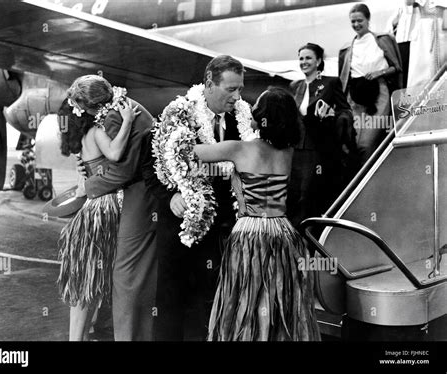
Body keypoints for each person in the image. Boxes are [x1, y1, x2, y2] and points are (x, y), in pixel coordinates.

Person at [191, 86, 321, 341]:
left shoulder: (238, 149)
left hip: (249, 234)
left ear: (263, 115)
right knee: (278, 304)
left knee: (244, 304)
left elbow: (187, 152)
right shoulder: (288, 152)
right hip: (284, 234)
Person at [144, 55, 250, 340]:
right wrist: (170, 197)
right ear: (209, 84)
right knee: (170, 300)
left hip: (220, 228)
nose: (237, 96)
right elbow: (149, 165)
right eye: (231, 89)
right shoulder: (176, 115)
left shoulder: (242, 118)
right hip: (178, 227)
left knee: (208, 299)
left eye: (240, 88)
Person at [74, 76, 159, 341]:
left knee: (125, 274)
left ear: (91, 106)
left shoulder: (113, 117)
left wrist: (87, 186)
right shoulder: (123, 106)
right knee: (136, 272)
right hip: (146, 194)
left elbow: (122, 171)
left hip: (141, 195)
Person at [57, 75, 141, 341]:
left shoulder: (81, 138)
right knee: (91, 283)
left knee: (86, 282)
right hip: (105, 209)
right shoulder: (95, 133)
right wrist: (127, 120)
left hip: (92, 210)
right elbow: (116, 154)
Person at [288, 43, 355, 227]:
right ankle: (297, 239)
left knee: (309, 194)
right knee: (295, 195)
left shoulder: (331, 82)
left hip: (318, 147)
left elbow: (345, 111)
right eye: (301, 58)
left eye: (308, 58)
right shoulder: (296, 86)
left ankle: (312, 236)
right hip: (296, 149)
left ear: (318, 61)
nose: (304, 62)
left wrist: (332, 116)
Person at [339, 3, 403, 165]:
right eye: (352, 22)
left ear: (368, 20)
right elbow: (343, 79)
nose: (356, 25)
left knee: (366, 144)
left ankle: (368, 180)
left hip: (378, 95)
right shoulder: (347, 49)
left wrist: (378, 73)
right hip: (355, 99)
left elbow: (396, 67)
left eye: (359, 20)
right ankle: (356, 182)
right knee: (352, 143)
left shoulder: (383, 40)